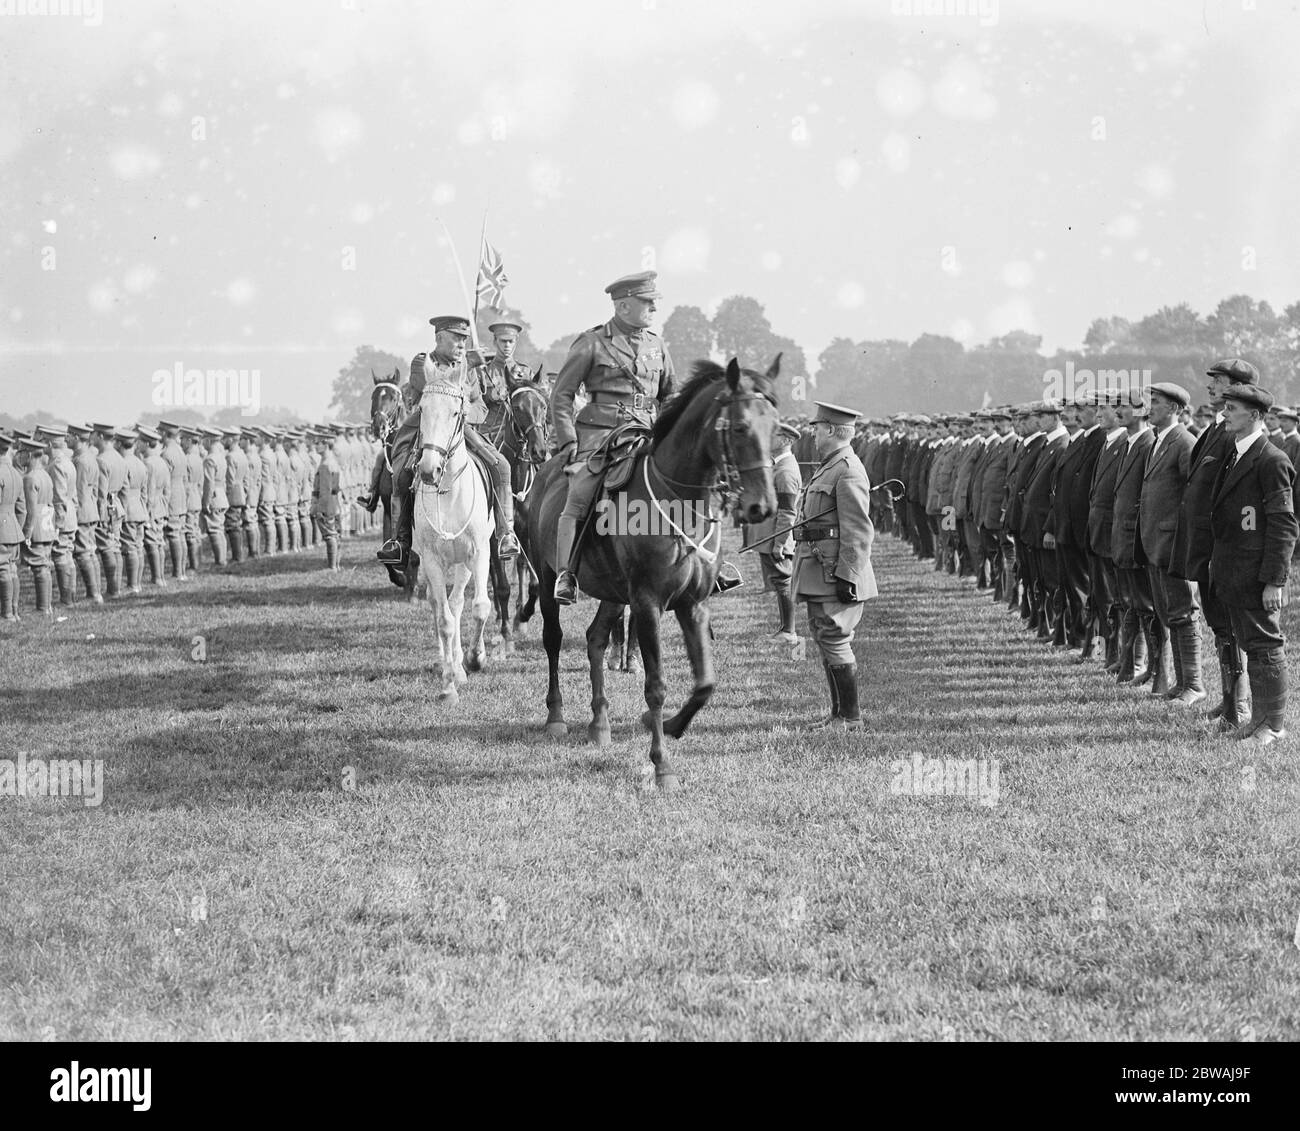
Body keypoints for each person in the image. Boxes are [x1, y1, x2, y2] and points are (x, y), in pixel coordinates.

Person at [549, 271, 740, 604]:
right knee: (580, 494)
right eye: (646, 302)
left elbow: (671, 395)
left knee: (693, 482)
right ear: (623, 306)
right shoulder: (592, 342)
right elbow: (561, 396)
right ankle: (567, 573)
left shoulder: (656, 344)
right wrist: (568, 442)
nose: (653, 308)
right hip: (601, 436)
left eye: (654, 302)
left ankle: (712, 564)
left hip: (649, 432)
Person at [377, 315, 521, 569]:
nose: (461, 343)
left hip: (461, 429)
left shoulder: (470, 368)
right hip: (429, 430)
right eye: (456, 338)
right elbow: (435, 384)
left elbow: (480, 406)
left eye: (464, 339)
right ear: (439, 338)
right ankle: (399, 542)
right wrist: (467, 363)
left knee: (502, 466)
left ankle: (505, 534)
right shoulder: (423, 362)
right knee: (400, 475)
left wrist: (466, 411)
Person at [1210, 383, 1299, 745]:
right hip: (1233, 570)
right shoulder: (1235, 453)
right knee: (1250, 644)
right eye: (1226, 406)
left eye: (1232, 407)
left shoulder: (1272, 459)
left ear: (1256, 416)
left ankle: (1272, 725)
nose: (1225, 412)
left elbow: (1283, 524)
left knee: (1264, 645)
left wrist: (1275, 581)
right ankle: (1258, 719)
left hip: (1255, 573)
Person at [791, 401, 878, 732]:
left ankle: (851, 718)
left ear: (829, 430)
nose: (812, 434)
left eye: (816, 428)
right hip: (821, 568)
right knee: (825, 636)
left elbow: (858, 531)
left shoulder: (848, 469)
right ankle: (838, 714)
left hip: (835, 571)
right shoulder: (831, 465)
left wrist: (848, 575)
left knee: (836, 638)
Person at [1138, 382, 1202, 704]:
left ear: (1175, 409)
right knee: (1168, 612)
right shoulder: (1159, 440)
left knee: (1183, 612)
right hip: (1157, 543)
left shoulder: (1184, 442)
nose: (1149, 406)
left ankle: (1193, 685)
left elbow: (1193, 498)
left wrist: (1184, 540)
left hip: (1174, 544)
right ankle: (1180, 684)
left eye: (1156, 401)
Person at [743, 420, 802, 641]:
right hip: (770, 537)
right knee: (779, 582)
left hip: (776, 539)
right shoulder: (778, 465)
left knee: (783, 580)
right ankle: (785, 629)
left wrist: (779, 544)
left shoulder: (786, 471)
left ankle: (790, 631)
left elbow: (788, 513)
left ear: (786, 440)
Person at [117, 428, 148, 595]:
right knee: (138, 546)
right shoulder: (140, 463)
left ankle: (132, 585)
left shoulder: (123, 463)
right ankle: (138, 583)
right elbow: (144, 491)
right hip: (140, 508)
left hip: (128, 508)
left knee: (129, 548)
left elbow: (123, 491)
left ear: (119, 444)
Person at [0, 432, 27, 621]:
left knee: (3, 569)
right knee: (12, 569)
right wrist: (18, 528)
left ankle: (7, 613)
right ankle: (14, 612)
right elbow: (22, 509)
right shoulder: (16, 474)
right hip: (13, 527)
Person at [311, 429, 342, 571]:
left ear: (325, 444)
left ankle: (332, 567)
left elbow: (324, 491)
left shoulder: (325, 465)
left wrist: (319, 509)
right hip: (335, 503)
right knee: (335, 534)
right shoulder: (332, 461)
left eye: (317, 443)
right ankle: (336, 565)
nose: (315, 446)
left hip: (327, 504)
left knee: (330, 535)